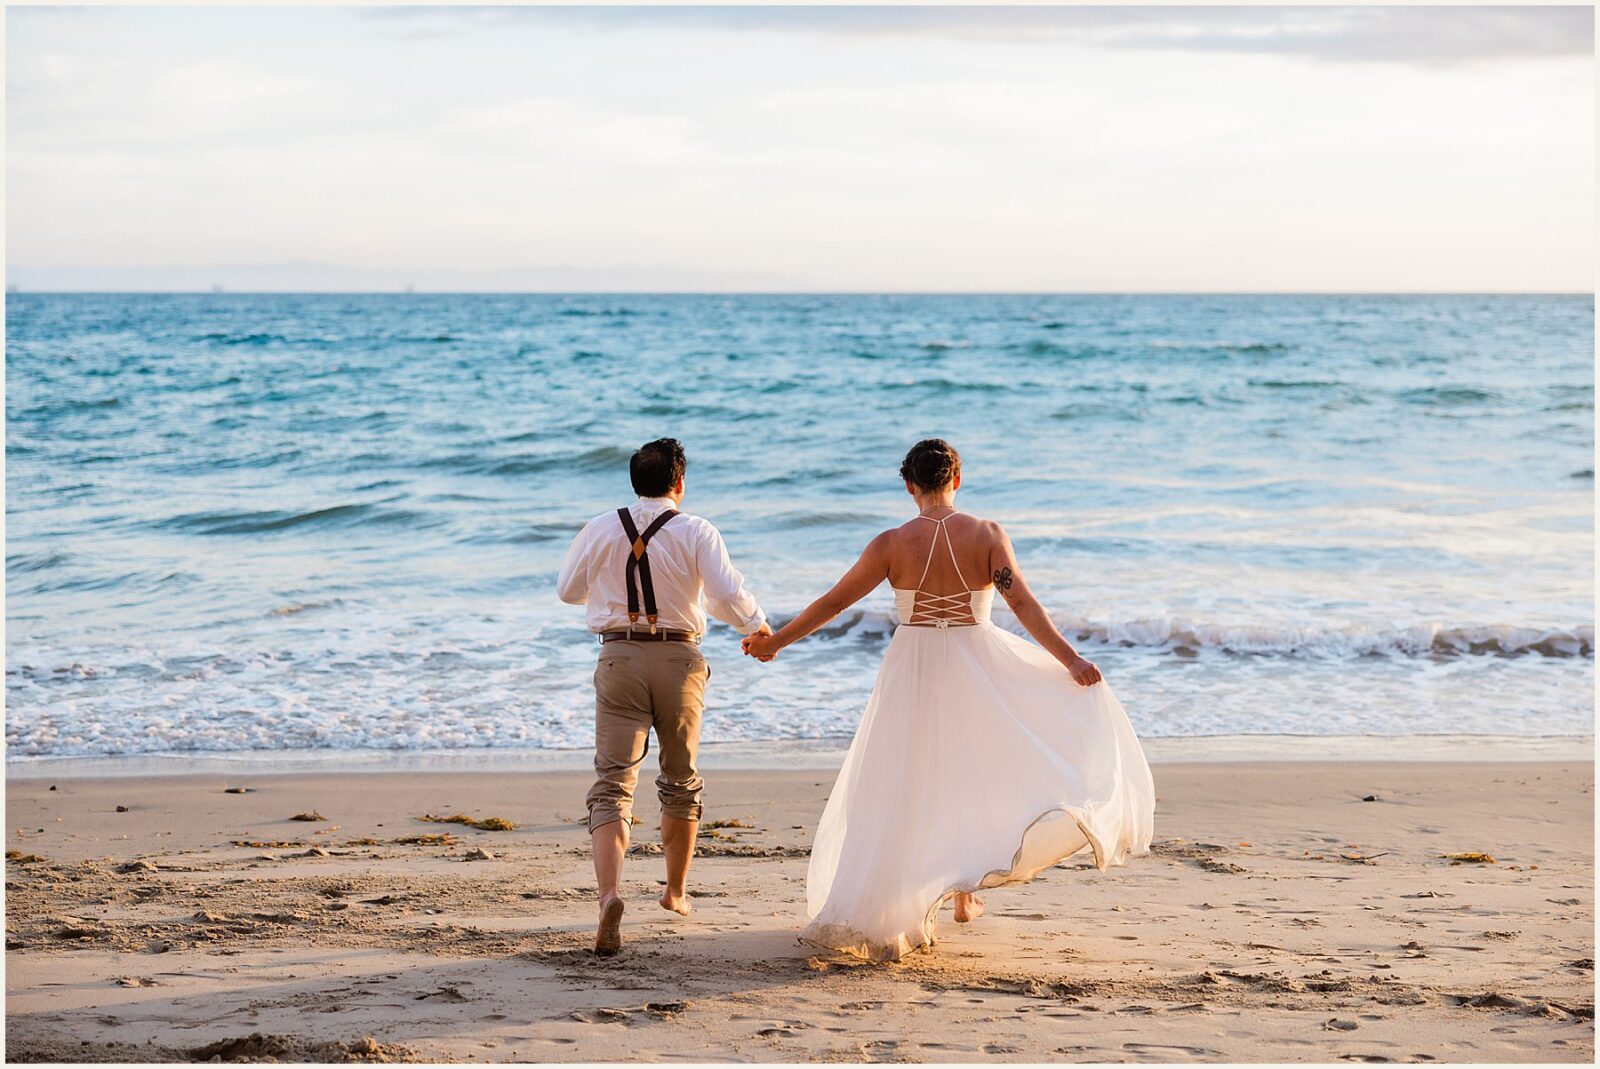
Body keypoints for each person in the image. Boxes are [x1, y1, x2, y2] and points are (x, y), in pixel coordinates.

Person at [742, 438, 1154, 961]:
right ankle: (961, 894)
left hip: (911, 667)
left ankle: (925, 897)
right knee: (968, 771)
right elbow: (1023, 602)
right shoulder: (986, 534)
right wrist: (1070, 660)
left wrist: (775, 641)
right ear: (956, 480)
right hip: (975, 664)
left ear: (910, 485)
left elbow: (836, 601)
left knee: (907, 777)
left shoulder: (891, 543)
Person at [558, 438, 772, 955]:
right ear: (680, 482)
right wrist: (759, 629)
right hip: (679, 660)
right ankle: (675, 892)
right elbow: (725, 593)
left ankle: (609, 894)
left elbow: (568, 590)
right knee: (680, 780)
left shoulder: (599, 527)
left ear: (634, 481)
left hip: (618, 658)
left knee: (612, 785)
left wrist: (610, 587)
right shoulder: (697, 530)